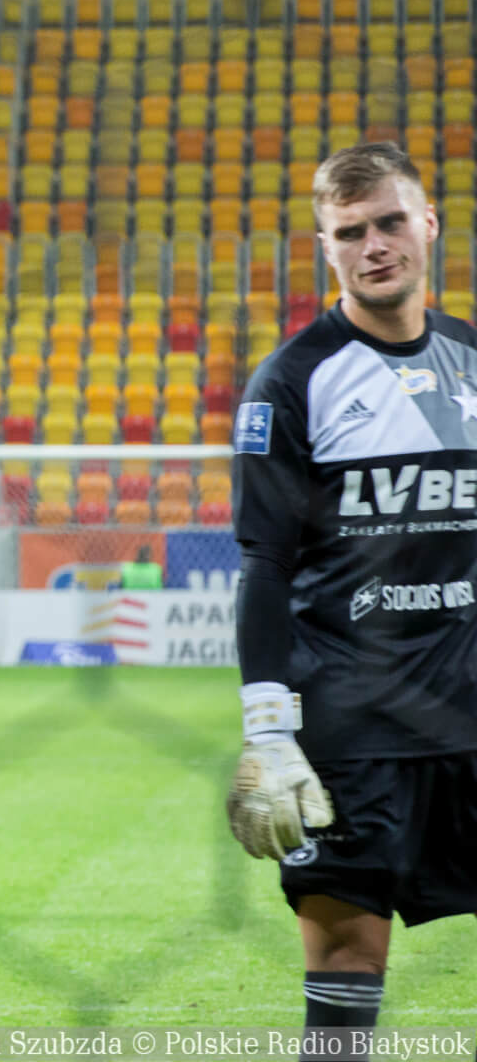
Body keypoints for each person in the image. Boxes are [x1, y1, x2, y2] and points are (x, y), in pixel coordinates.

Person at [228, 141, 477, 1059]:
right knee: (345, 969)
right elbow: (263, 563)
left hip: (470, 710)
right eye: (349, 232)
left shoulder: (472, 360)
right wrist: (268, 730)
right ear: (325, 247)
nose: (374, 246)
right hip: (349, 724)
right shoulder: (293, 381)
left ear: (428, 224)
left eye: (390, 222)